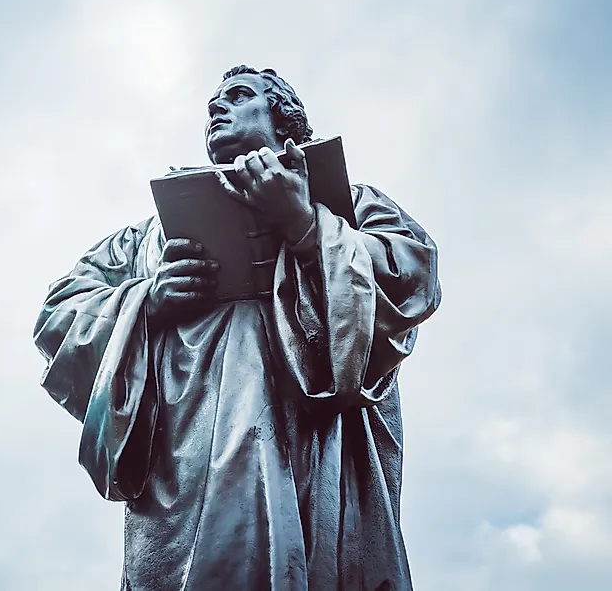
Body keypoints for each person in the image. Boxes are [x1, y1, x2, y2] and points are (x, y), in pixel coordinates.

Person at [33, 65, 442, 591]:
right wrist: (148, 301)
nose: (215, 109)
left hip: (314, 457)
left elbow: (412, 275)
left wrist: (306, 226)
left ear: (285, 122)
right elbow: (59, 316)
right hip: (189, 477)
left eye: (239, 96)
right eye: (211, 105)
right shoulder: (146, 240)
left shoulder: (352, 206)